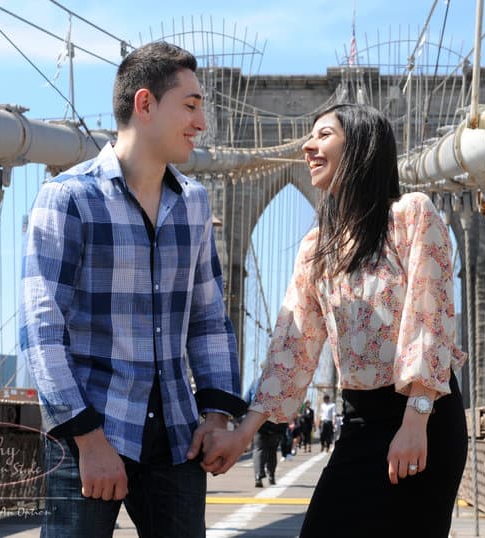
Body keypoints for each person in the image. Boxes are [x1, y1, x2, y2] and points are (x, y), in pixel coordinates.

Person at [198, 103, 468, 537]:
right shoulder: (315, 247)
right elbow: (294, 344)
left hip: (425, 415)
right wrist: (242, 433)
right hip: (361, 419)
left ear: (360, 144)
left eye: (323, 135)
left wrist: (416, 422)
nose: (307, 146)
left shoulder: (411, 215)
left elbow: (428, 317)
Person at [20, 41, 246, 538]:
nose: (201, 123)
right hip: (92, 431)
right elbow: (41, 332)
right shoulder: (67, 199)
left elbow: (209, 317)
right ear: (145, 105)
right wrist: (87, 440)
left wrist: (217, 413)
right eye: (190, 105)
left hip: (177, 436)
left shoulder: (193, 203)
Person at [253, 420, 287, 487]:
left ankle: (258, 476)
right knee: (272, 452)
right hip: (276, 428)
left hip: (260, 426)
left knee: (259, 450)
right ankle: (271, 476)